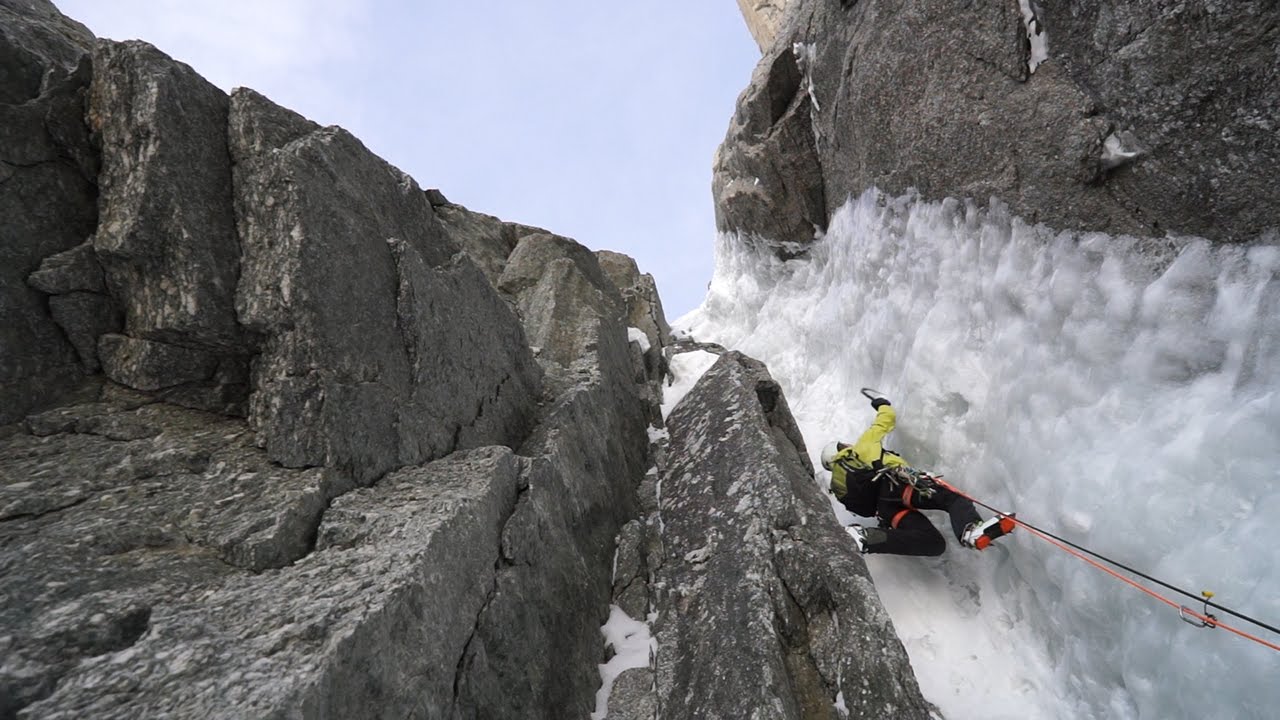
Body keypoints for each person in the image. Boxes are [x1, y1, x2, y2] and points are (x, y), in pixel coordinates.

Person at [821, 392, 1014, 555]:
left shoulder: (841, 488)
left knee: (933, 543)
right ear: (841, 450)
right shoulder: (860, 449)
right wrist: (882, 404)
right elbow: (885, 420)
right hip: (897, 485)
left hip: (888, 511)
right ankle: (970, 529)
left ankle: (866, 538)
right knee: (953, 499)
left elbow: (863, 509)